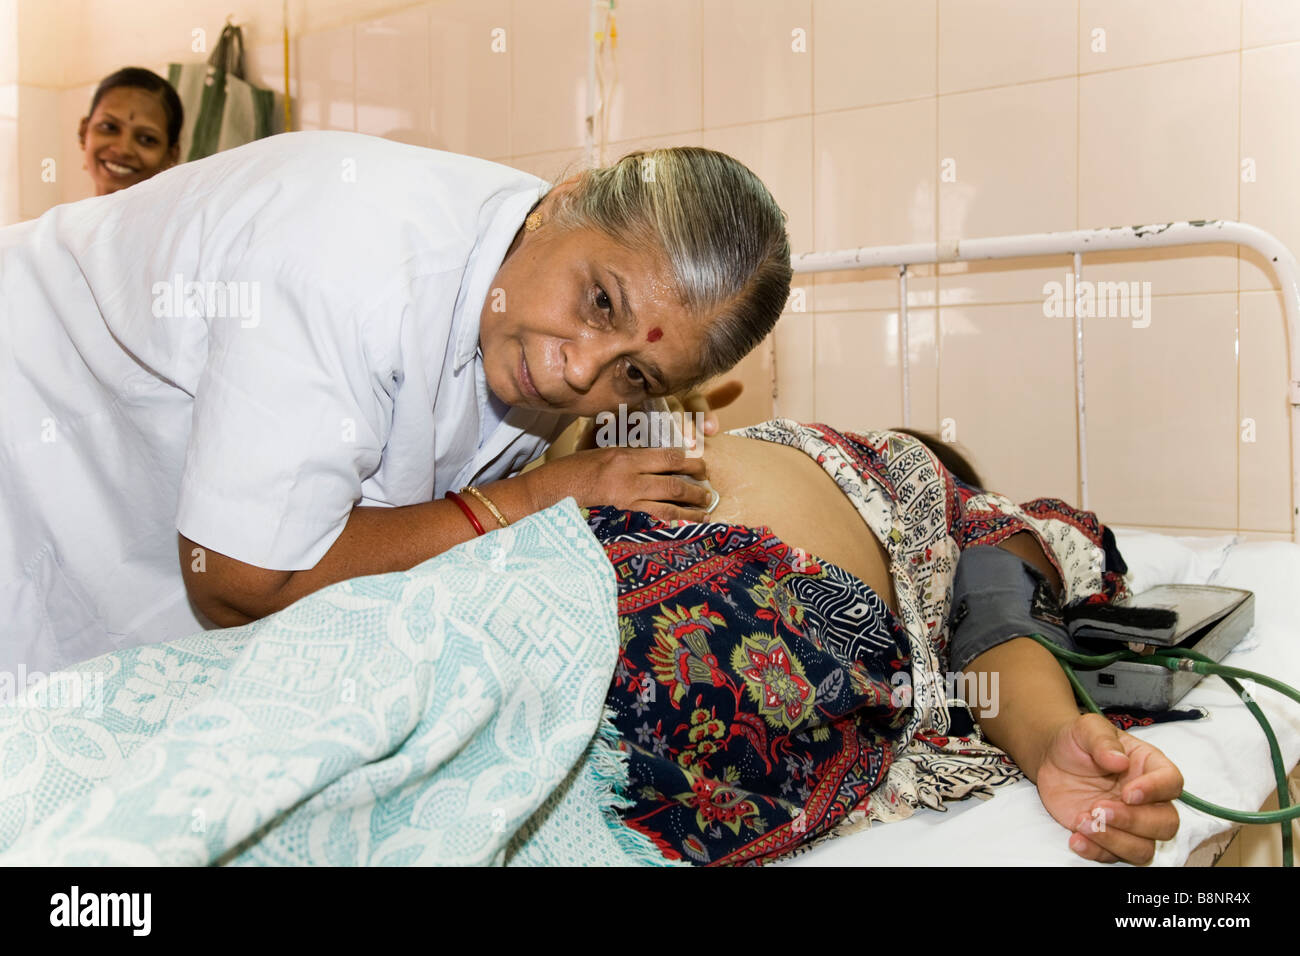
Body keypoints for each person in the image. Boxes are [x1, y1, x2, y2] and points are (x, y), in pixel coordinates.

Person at [0, 132, 791, 674]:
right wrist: (544, 496)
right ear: (566, 199)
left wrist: (635, 421)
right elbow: (240, 580)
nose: (576, 373)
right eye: (601, 303)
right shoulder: (345, 263)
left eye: (636, 373)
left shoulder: (541, 282)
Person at [564, 423, 1184, 866]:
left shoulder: (944, 501)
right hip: (682, 602)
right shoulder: (915, 476)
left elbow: (997, 614)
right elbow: (999, 614)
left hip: (593, 578)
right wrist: (1049, 736)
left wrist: (1051, 738)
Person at [77, 67, 184, 196]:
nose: (123, 150)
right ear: (84, 132)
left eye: (147, 139)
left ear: (171, 156)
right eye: (110, 127)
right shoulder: (59, 216)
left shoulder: (191, 216)